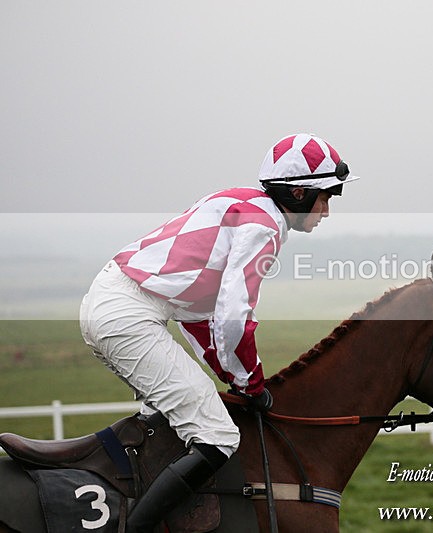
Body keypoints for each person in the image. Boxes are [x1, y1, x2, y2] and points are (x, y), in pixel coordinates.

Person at [79, 133, 359, 532]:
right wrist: (252, 382)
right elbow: (232, 315)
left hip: (111, 302)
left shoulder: (242, 201)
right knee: (218, 435)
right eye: (325, 198)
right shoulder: (266, 227)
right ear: (298, 193)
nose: (327, 212)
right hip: (127, 317)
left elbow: (200, 316)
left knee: (166, 422)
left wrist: (236, 380)